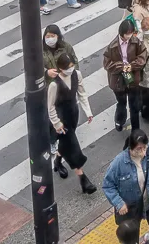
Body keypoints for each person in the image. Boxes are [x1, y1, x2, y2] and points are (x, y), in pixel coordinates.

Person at [101, 129, 149, 244]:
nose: (143, 152)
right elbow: (108, 185)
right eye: (139, 149)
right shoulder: (119, 163)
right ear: (130, 148)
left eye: (145, 147)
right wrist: (119, 203)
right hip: (130, 208)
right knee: (130, 237)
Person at [47, 51, 99, 193]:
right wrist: (57, 123)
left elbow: (82, 93)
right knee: (73, 145)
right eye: (68, 66)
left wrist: (88, 111)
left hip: (73, 114)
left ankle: (57, 161)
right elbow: (50, 106)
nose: (71, 68)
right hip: (61, 118)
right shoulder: (54, 85)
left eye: (72, 65)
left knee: (66, 143)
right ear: (61, 68)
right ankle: (83, 179)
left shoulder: (77, 75)